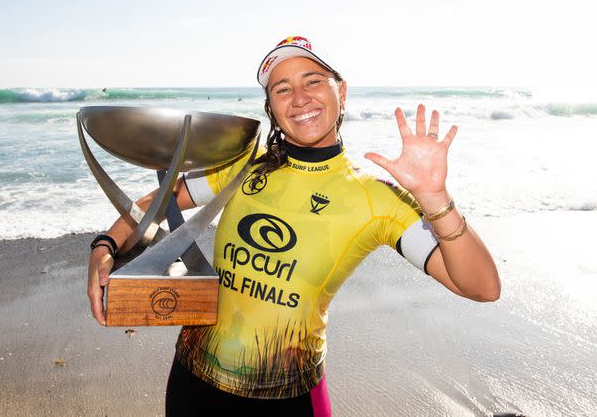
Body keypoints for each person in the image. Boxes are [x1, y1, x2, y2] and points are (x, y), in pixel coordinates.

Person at [87, 35, 500, 416]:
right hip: (193, 383)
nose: (299, 98)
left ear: (341, 90)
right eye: (282, 88)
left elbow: (481, 286)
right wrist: (105, 245)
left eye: (313, 81)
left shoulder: (377, 198)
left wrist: (435, 199)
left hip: (289, 397)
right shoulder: (241, 166)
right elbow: (156, 203)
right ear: (271, 106)